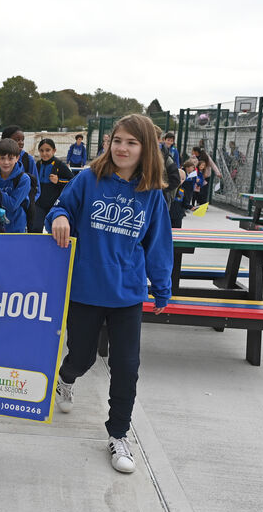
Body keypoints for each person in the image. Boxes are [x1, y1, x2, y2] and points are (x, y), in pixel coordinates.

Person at [46, 113, 172, 474]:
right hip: (85, 290)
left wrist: (161, 287)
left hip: (127, 294)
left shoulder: (152, 194)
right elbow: (60, 206)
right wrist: (59, 217)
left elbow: (158, 244)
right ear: (109, 143)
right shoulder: (88, 179)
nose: (122, 148)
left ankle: (118, 434)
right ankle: (65, 380)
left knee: (126, 367)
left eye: (132, 142)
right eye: (118, 140)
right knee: (82, 357)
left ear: (145, 148)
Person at [0, 126, 39, 232]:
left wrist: (28, 201)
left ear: (17, 158)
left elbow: (37, 188)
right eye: (17, 139)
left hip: (16, 227)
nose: (6, 162)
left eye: (22, 139)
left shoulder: (25, 172)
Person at [33, 138, 73, 233]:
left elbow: (72, 181)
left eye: (48, 150)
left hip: (54, 205)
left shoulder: (59, 165)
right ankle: (35, 247)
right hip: (39, 204)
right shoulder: (38, 164)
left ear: (54, 150)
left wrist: (58, 181)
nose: (44, 153)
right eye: (41, 151)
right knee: (35, 228)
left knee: (53, 231)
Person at [0, 139, 31, 233]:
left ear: (17, 158)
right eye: (2, 158)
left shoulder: (23, 179)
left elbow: (12, 205)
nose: (6, 162)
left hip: (16, 229)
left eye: (10, 158)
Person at [170, 159, 196, 228]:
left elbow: (185, 203)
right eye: (179, 178)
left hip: (178, 216)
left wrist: (190, 207)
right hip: (168, 215)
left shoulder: (183, 190)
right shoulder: (169, 188)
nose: (180, 180)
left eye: (182, 179)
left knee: (177, 231)